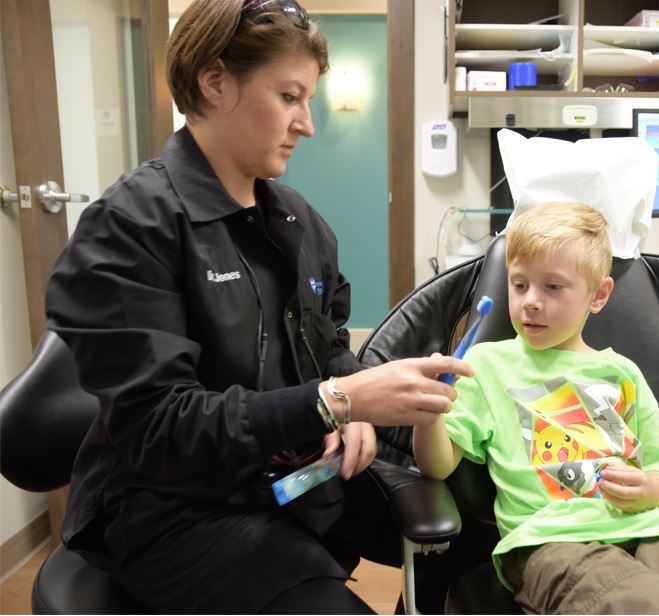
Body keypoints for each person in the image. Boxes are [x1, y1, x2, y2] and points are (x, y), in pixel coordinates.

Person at [44, 0, 471, 613]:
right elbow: (161, 429)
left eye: (310, 101)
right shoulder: (129, 228)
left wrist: (353, 407)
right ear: (215, 82)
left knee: (479, 537)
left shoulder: (301, 224)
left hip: (296, 477)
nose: (307, 124)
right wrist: (334, 402)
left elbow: (326, 354)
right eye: (290, 97)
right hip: (179, 507)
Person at [413, 202, 659, 614]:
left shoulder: (622, 372)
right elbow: (438, 466)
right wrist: (428, 417)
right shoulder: (485, 365)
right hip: (553, 542)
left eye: (552, 287)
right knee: (650, 604)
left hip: (649, 528)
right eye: (519, 285)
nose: (531, 301)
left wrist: (650, 489)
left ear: (598, 295)